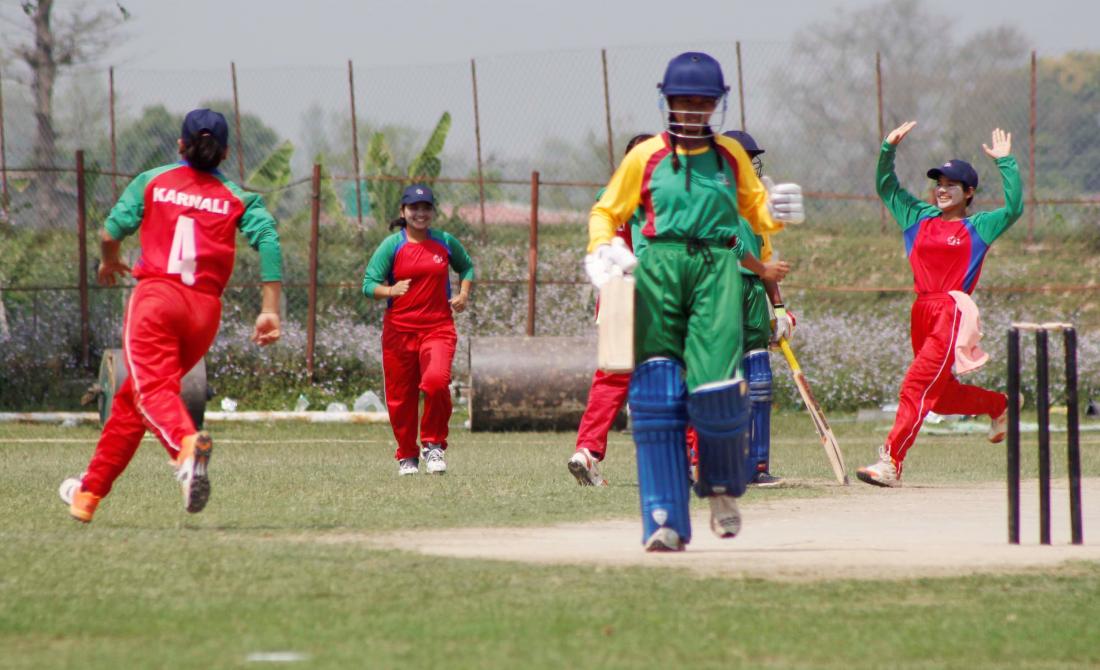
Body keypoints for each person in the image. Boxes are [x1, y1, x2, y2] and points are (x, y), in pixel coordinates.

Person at [583, 52, 800, 551]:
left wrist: (778, 211)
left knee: (717, 389)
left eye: (704, 102)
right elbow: (606, 209)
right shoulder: (646, 156)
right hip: (658, 266)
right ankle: (663, 519)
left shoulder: (729, 156)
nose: (692, 110)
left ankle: (723, 489)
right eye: (683, 101)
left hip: (717, 270)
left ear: (717, 105)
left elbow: (756, 213)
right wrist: (603, 248)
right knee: (656, 392)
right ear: (667, 101)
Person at [59, 108, 283, 523]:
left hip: (157, 299)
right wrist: (269, 309)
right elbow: (268, 239)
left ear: (179, 145)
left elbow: (111, 232)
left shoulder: (153, 180)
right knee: (131, 402)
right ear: (226, 152)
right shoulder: (237, 197)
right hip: (204, 312)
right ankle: (87, 493)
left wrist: (109, 261)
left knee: (151, 392)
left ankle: (186, 447)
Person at [856, 122, 1022, 487]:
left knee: (915, 385)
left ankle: (891, 462)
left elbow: (1014, 208)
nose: (942, 190)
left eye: (951, 185)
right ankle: (1000, 404)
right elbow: (886, 187)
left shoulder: (979, 226)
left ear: (969, 192)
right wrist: (887, 149)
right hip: (921, 311)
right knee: (942, 397)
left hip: (951, 310)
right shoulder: (917, 216)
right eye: (939, 184)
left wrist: (1006, 163)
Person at [362, 185, 474, 476]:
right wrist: (390, 290)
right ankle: (407, 456)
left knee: (436, 383)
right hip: (399, 332)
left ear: (433, 212)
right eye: (414, 208)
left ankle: (434, 445)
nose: (420, 213)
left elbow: (467, 268)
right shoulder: (391, 245)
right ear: (403, 212)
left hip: (438, 328)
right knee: (401, 397)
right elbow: (367, 285)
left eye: (426, 207)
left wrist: (463, 294)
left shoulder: (445, 242)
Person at [568, 133, 653, 487]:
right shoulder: (652, 197)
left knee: (610, 378)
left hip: (614, 295)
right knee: (680, 370)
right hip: (653, 293)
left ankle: (586, 451)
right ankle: (694, 459)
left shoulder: (606, 197)